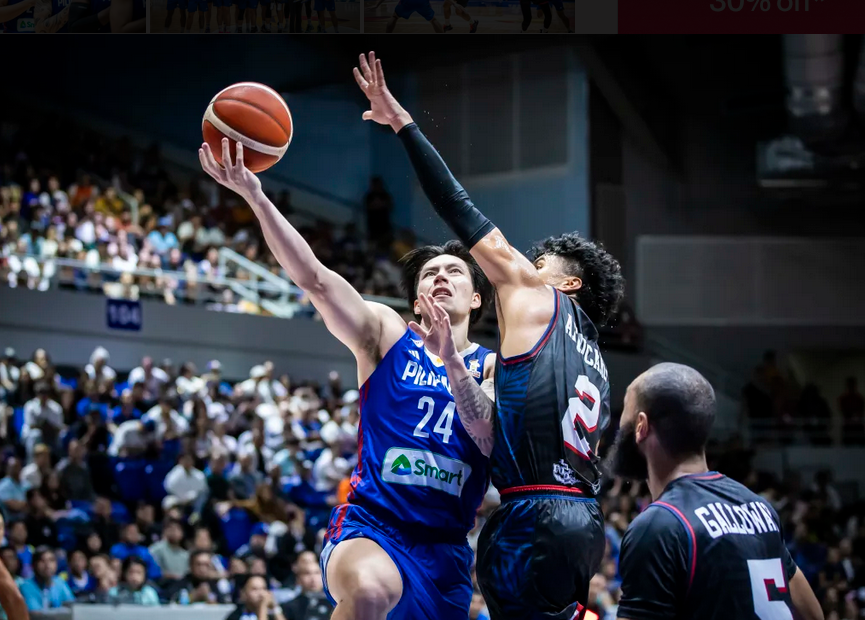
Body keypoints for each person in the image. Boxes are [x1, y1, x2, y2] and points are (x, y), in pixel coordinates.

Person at [355, 51, 624, 620]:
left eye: (542, 260)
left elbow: (457, 204)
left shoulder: (536, 295)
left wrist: (402, 123)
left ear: (568, 282)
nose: (528, 262)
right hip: (586, 521)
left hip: (533, 516)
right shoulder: (594, 358)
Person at [199, 135, 495, 620]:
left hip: (446, 553)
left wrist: (453, 362)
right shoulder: (385, 332)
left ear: (477, 298)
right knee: (370, 593)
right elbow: (313, 278)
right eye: (429, 274)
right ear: (417, 298)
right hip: (374, 525)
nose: (440, 276)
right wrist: (256, 195)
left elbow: (485, 434)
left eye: (454, 272)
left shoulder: (492, 366)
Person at [606, 362, 824, 620]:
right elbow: (813, 615)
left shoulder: (659, 526)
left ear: (641, 426)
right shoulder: (758, 508)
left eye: (625, 413)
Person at [0, 545, 27, 620]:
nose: (7, 561)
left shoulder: (25, 584)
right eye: (3, 558)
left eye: (11, 558)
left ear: (17, 561)